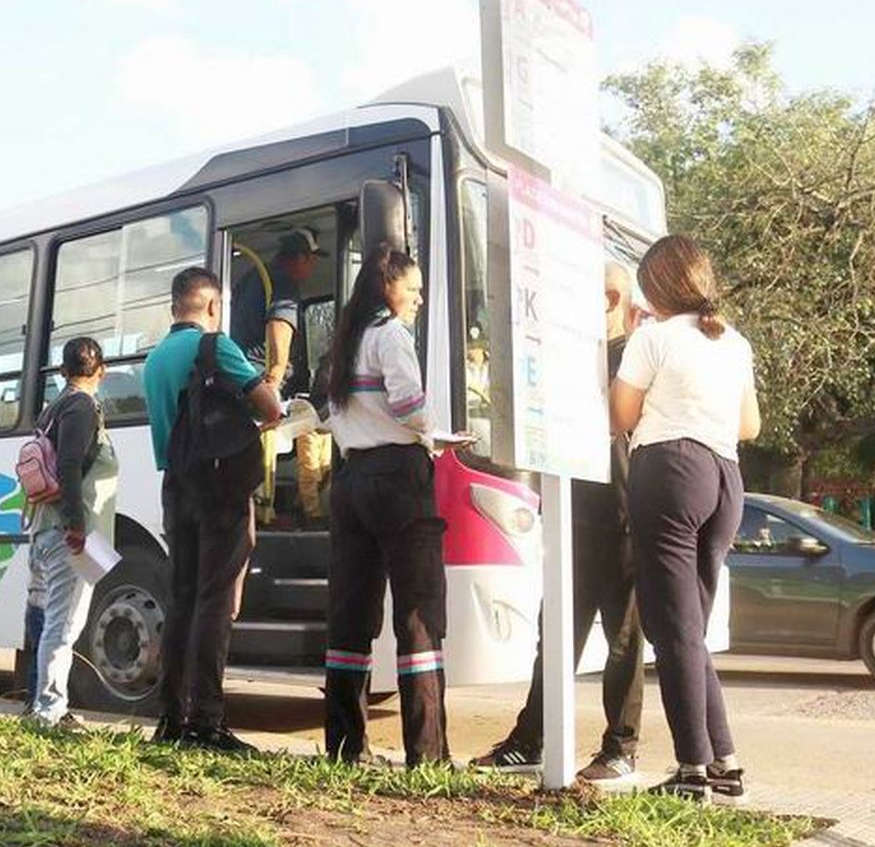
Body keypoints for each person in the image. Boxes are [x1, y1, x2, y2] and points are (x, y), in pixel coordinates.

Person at [473, 262, 646, 782]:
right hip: (574, 513)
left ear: (612, 300)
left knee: (622, 640)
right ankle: (532, 739)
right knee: (557, 635)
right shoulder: (575, 358)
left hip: (621, 516)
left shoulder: (634, 358)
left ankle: (621, 748)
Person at [610, 234, 760, 802]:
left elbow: (619, 414)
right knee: (690, 629)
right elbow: (751, 426)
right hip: (726, 477)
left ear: (656, 286)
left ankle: (691, 770)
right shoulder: (734, 341)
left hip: (670, 470)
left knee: (671, 631)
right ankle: (725, 764)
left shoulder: (652, 337)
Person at [323, 245, 453, 768]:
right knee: (420, 613)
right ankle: (427, 753)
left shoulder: (343, 342)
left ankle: (345, 746)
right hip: (400, 477)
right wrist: (438, 430)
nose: (418, 299)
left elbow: (332, 413)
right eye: (413, 289)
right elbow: (408, 406)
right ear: (387, 288)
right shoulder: (391, 335)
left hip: (351, 478)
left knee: (351, 615)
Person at [144, 267, 282, 751]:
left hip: (174, 486)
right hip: (220, 487)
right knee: (216, 600)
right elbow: (271, 408)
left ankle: (171, 718)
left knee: (180, 599)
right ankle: (207, 720)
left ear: (173, 307)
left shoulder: (154, 359)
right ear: (212, 306)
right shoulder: (215, 346)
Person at [24, 337, 118, 730]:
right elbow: (69, 468)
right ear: (102, 371)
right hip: (66, 534)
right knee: (63, 626)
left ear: (63, 371)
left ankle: (39, 704)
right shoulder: (81, 406)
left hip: (44, 527)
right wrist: (77, 526)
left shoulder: (53, 407)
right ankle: (48, 712)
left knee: (46, 618)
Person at [231, 227, 331, 521]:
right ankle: (309, 510)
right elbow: (279, 327)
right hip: (265, 383)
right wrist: (273, 380)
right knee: (318, 424)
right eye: (311, 259)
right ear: (298, 258)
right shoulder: (283, 282)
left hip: (246, 380)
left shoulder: (251, 279)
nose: (313, 266)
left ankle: (283, 507)